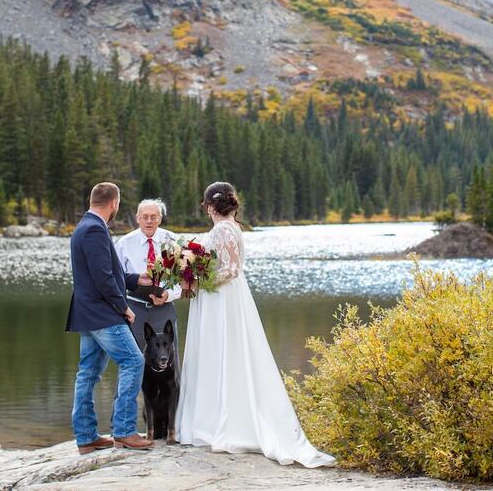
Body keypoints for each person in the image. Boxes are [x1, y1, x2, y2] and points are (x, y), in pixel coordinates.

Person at [175, 182, 335, 467]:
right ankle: (216, 420)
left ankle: (222, 424)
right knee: (226, 353)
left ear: (210, 206)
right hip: (220, 298)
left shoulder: (224, 229)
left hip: (222, 299)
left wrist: (200, 279)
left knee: (223, 352)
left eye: (206, 206)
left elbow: (232, 269)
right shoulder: (231, 226)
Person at [65, 182, 154, 453]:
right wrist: (123, 308)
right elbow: (103, 279)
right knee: (133, 361)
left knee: (88, 373)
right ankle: (125, 430)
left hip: (88, 314)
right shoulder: (94, 230)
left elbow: (106, 273)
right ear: (114, 203)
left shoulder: (85, 226)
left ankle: (87, 437)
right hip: (102, 314)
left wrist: (135, 278)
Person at [113, 198, 180, 353]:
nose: (149, 221)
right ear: (138, 218)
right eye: (145, 217)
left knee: (169, 362)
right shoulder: (124, 244)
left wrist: (168, 295)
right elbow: (116, 278)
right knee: (134, 360)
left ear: (160, 218)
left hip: (165, 309)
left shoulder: (173, 241)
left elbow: (183, 277)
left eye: (153, 217)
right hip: (134, 310)